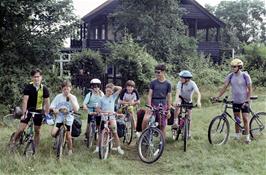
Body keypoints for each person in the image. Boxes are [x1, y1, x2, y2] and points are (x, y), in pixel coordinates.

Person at [214, 58, 252, 144]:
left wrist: (247, 100)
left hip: (244, 100)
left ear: (239, 67)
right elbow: (224, 87)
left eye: (234, 66)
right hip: (235, 101)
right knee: (237, 119)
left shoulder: (245, 76)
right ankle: (237, 135)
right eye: (232, 66)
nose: (233, 68)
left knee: (245, 118)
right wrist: (217, 96)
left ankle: (247, 137)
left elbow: (250, 89)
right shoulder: (230, 76)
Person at [10, 68, 50, 150]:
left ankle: (35, 148)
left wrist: (46, 113)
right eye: (34, 77)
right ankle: (13, 142)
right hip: (28, 110)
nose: (36, 79)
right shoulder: (28, 87)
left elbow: (47, 102)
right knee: (21, 129)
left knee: (37, 131)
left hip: (38, 111)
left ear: (41, 77)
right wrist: (24, 113)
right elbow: (25, 101)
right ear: (32, 78)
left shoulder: (44, 89)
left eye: (38, 77)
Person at [142, 64, 172, 138]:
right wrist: (149, 106)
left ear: (163, 72)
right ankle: (143, 137)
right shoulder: (153, 82)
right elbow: (149, 95)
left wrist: (169, 109)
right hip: (153, 103)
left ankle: (162, 143)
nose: (156, 74)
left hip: (163, 104)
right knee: (146, 119)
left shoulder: (168, 84)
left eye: (158, 72)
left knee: (163, 124)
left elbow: (169, 97)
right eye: (155, 72)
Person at [50, 80, 79, 155]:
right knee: (53, 133)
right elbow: (52, 106)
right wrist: (55, 110)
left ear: (70, 88)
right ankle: (57, 139)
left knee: (68, 135)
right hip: (60, 117)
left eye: (67, 89)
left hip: (68, 118)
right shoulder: (58, 97)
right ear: (62, 89)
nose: (66, 91)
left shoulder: (73, 97)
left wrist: (70, 99)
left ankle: (70, 150)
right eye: (64, 89)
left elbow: (76, 109)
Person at [95, 83, 124, 155]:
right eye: (107, 90)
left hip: (111, 116)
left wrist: (113, 87)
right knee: (101, 133)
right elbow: (98, 108)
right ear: (105, 90)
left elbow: (120, 88)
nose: (109, 92)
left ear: (112, 91)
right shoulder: (101, 99)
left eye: (110, 91)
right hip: (104, 116)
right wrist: (100, 112)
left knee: (114, 132)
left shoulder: (113, 97)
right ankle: (97, 148)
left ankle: (118, 147)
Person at [172, 70, 201, 137]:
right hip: (181, 98)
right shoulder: (180, 83)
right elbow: (177, 93)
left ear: (187, 79)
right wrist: (176, 101)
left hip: (188, 101)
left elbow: (198, 93)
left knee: (189, 117)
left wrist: (198, 101)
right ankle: (175, 121)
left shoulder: (192, 83)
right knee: (178, 104)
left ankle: (188, 131)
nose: (180, 79)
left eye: (182, 78)